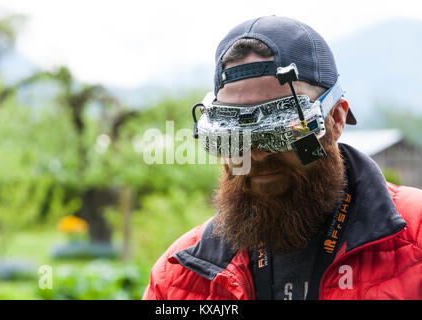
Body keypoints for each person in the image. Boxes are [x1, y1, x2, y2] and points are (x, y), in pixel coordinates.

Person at [142, 15, 422, 300]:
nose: (256, 154)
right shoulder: (179, 277)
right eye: (234, 134)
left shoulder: (417, 243)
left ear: (336, 119)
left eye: (283, 130)